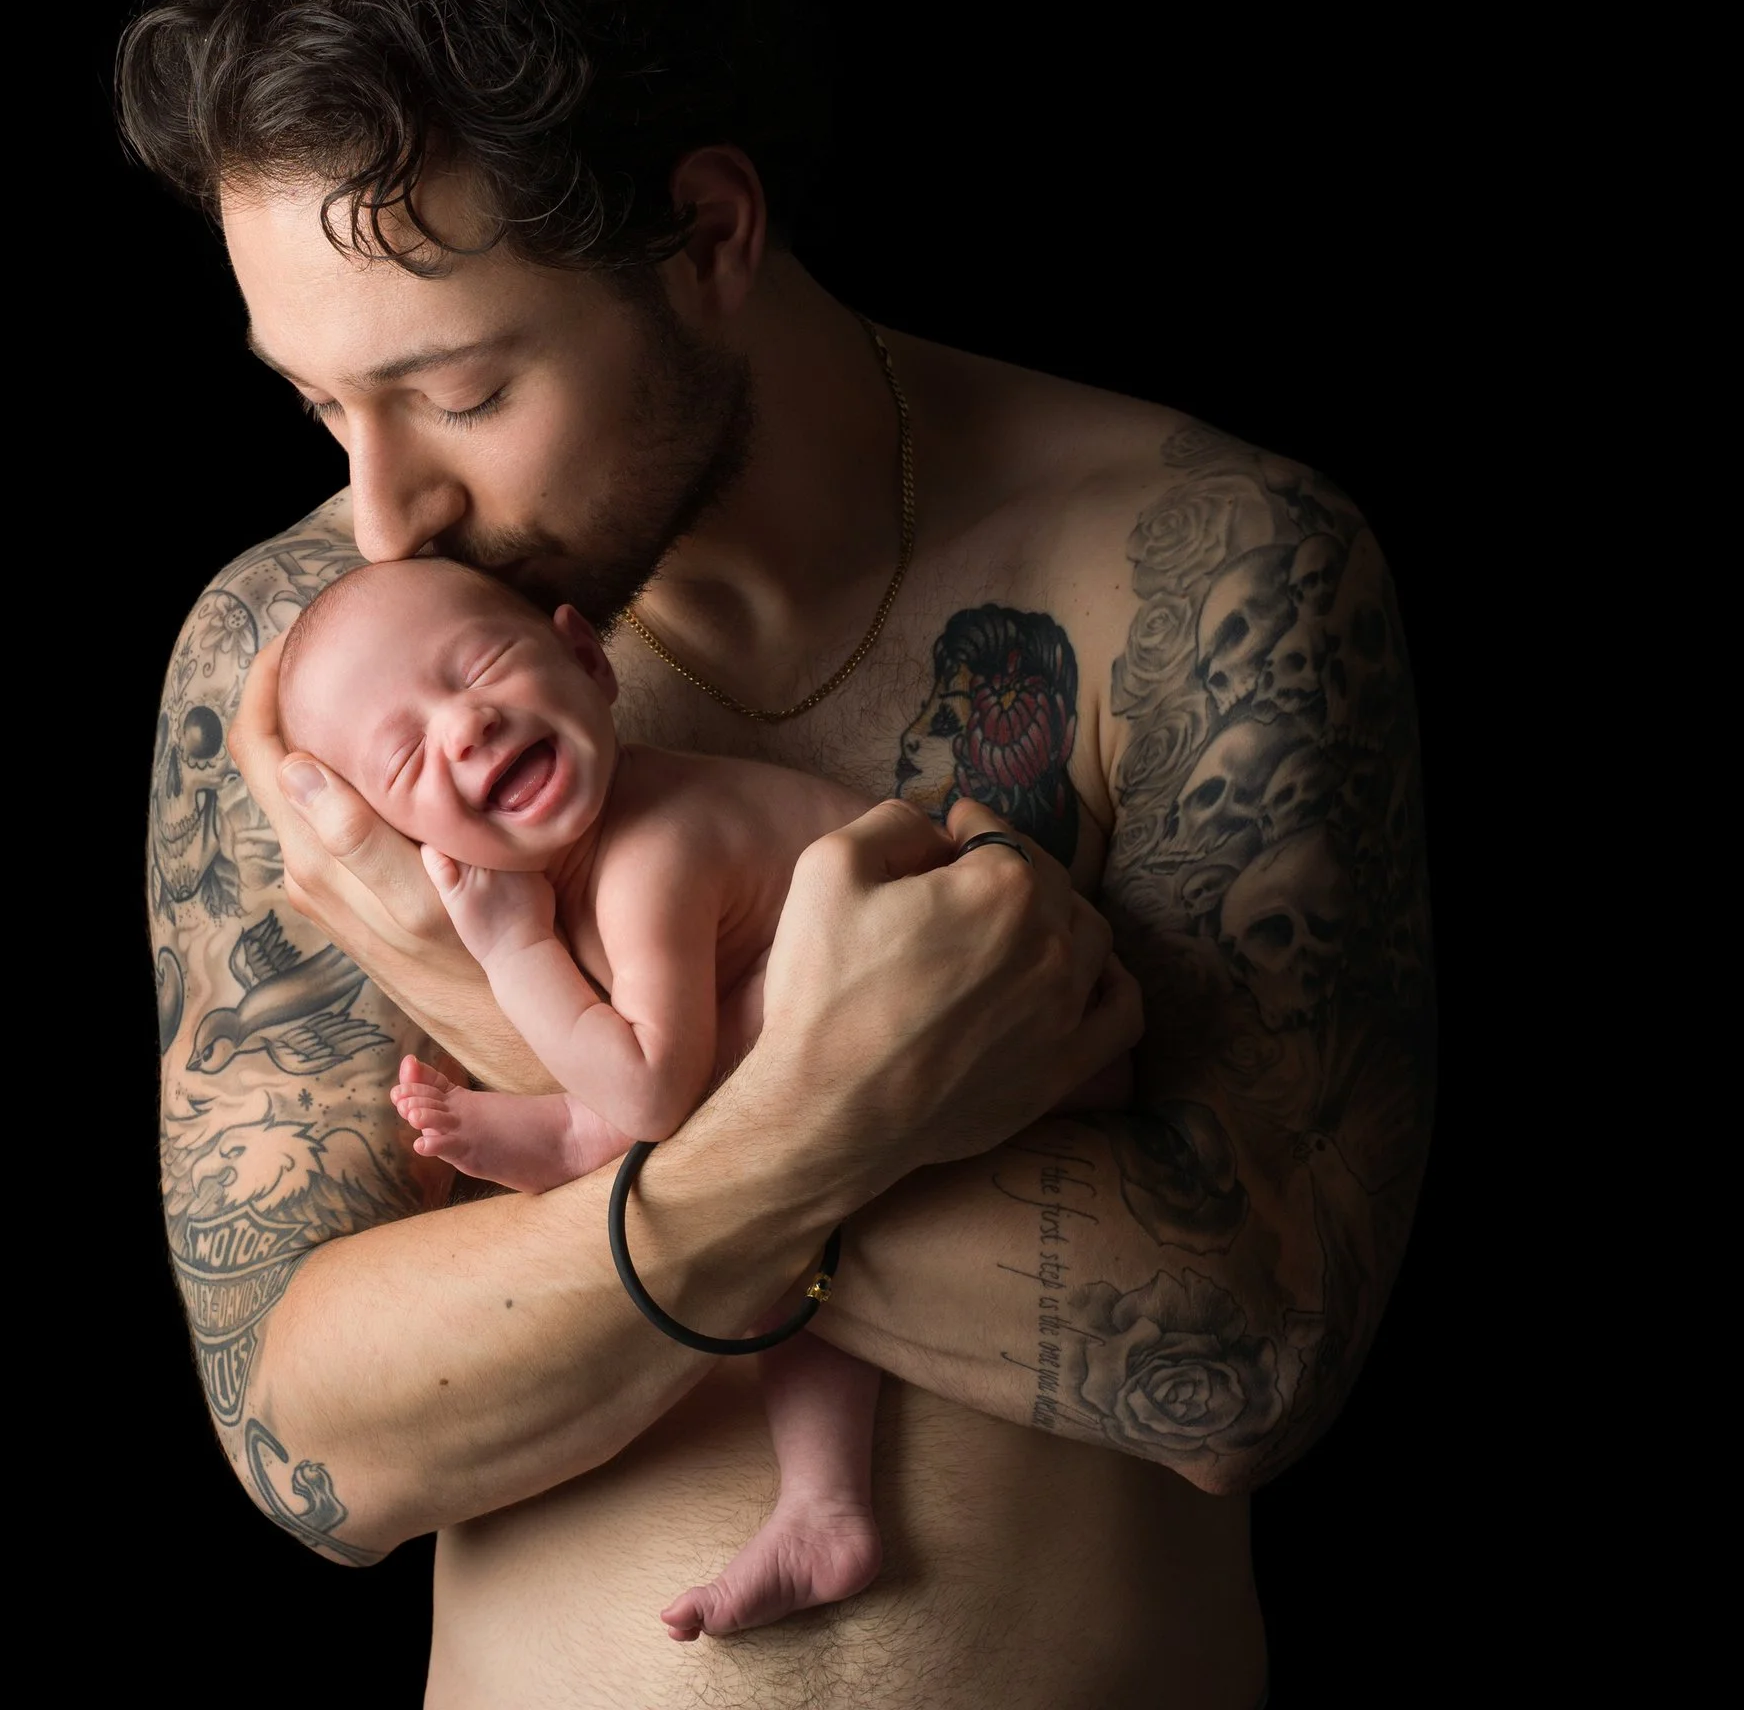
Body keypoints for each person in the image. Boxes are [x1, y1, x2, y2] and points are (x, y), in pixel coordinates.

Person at [130, 0, 1433, 1709]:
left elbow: (1237, 1366)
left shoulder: (1199, 573)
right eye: (323, 401)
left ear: (712, 234)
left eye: (463, 389)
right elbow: (316, 1446)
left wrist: (549, 1053)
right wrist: (804, 1107)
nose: (383, 510)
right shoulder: (309, 684)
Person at [272, 551, 1143, 1641]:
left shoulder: (652, 850)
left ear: (587, 659)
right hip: (887, 1081)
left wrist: (510, 951)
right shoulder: (604, 850)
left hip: (1029, 1051)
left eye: (483, 664)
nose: (466, 725)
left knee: (720, 1151)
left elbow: (654, 1094)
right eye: (404, 758)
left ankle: (573, 1140)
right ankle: (826, 1507)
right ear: (407, 850)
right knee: (773, 1204)